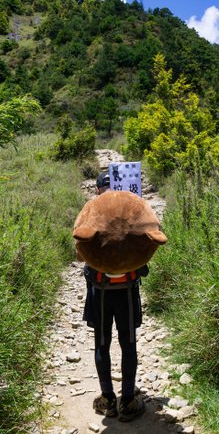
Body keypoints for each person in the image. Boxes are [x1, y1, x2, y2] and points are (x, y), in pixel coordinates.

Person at [83, 172, 149, 422]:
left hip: (100, 293)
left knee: (102, 343)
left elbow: (82, 253)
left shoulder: (92, 211)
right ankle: (129, 400)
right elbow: (145, 255)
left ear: (98, 190)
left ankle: (108, 399)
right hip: (127, 292)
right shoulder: (134, 211)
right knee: (128, 343)